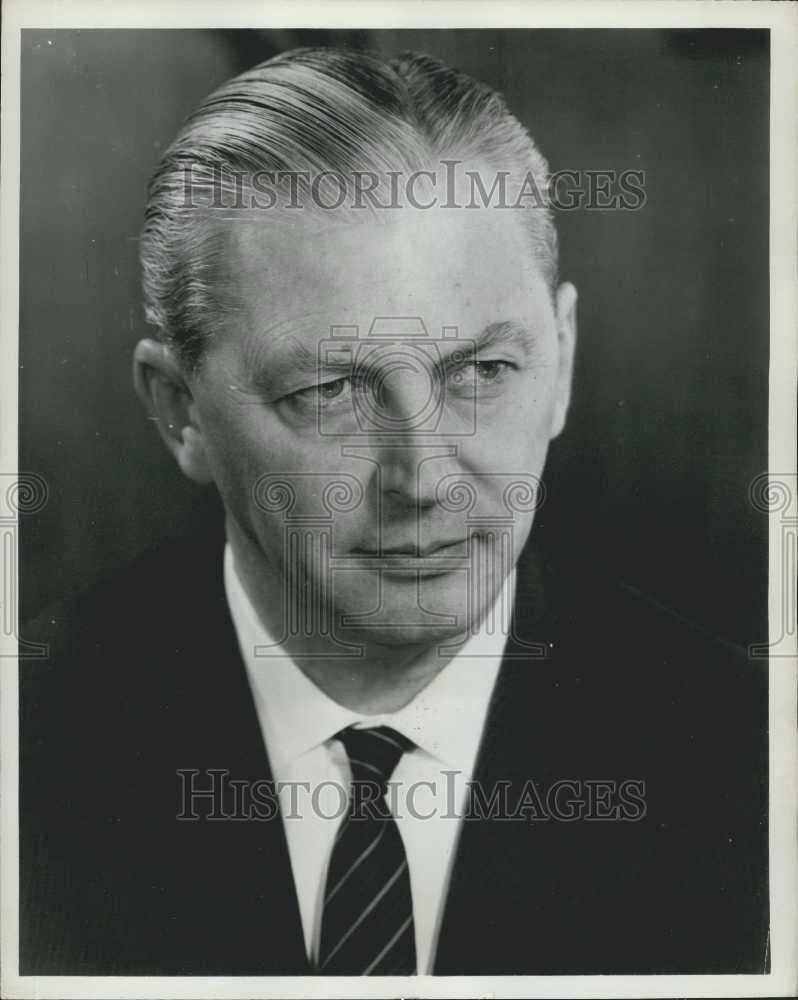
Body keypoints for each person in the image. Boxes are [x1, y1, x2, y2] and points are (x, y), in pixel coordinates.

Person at [20, 47, 768, 976]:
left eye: (484, 373)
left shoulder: (752, 764)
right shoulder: (32, 748)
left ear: (564, 360)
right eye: (331, 390)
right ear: (180, 412)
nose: (424, 478)